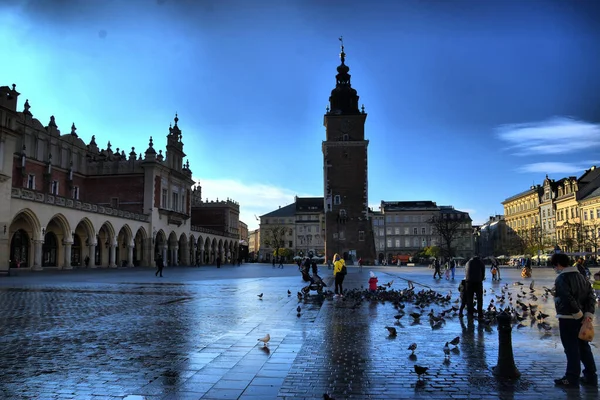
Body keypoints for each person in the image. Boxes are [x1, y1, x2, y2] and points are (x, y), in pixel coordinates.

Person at [550, 253, 597, 387]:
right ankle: (590, 375)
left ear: (558, 264)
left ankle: (571, 378)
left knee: (571, 349)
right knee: (583, 347)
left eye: (555, 266)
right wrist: (587, 315)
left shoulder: (561, 278)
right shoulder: (582, 277)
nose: (555, 269)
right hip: (583, 319)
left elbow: (567, 298)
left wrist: (578, 313)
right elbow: (590, 297)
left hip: (568, 318)